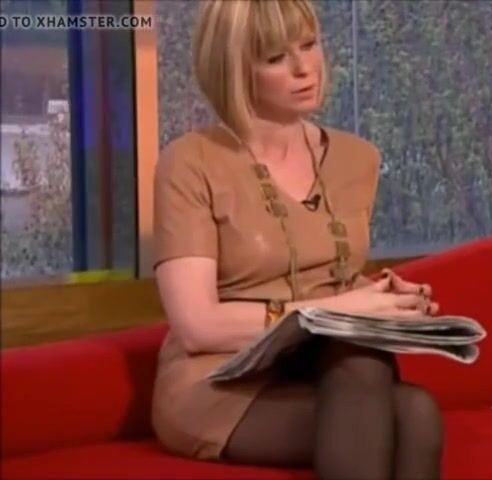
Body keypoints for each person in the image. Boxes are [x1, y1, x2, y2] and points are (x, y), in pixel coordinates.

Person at [150, 1, 444, 479]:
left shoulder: (357, 159)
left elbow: (328, 276)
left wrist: (385, 299)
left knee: (411, 406)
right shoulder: (190, 163)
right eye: (275, 58)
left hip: (320, 365)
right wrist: (342, 310)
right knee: (401, 410)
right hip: (220, 381)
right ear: (235, 68)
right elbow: (197, 325)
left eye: (309, 45)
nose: (304, 68)